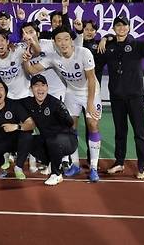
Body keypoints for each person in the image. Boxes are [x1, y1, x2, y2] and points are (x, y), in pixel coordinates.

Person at [22, 26, 103, 183]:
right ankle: (74, 164)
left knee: (92, 124)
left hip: (92, 92)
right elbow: (32, 71)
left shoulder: (84, 53)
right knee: (69, 127)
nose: (63, 43)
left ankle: (93, 168)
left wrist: (90, 103)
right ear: (55, 42)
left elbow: (92, 79)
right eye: (59, 40)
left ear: (71, 40)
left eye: (66, 39)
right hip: (71, 93)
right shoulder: (53, 57)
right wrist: (25, 61)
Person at [98, 15, 144, 179]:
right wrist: (104, 39)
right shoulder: (109, 47)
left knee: (139, 133)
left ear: (129, 27)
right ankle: (119, 162)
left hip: (135, 97)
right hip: (116, 97)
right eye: (118, 25)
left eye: (124, 25)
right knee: (120, 132)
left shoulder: (137, 45)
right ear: (114, 28)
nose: (121, 28)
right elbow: (95, 64)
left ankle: (142, 166)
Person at [20, 74, 78, 186]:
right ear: (31, 89)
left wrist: (62, 115)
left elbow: (70, 122)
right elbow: (12, 104)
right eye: (36, 85)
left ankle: (57, 174)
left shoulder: (55, 104)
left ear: (47, 87)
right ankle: (51, 163)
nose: (40, 88)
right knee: (28, 141)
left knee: (52, 139)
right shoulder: (28, 102)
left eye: (43, 85)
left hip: (68, 141)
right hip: (49, 141)